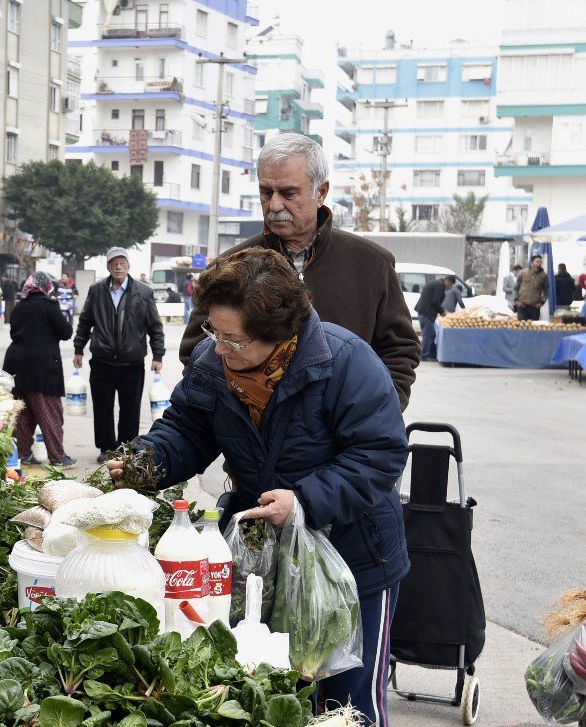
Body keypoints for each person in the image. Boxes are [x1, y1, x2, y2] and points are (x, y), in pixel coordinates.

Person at [107, 248, 408, 726]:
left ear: (281, 333)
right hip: (262, 561)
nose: (220, 348)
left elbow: (381, 454)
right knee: (272, 697)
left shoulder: (346, 362)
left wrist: (306, 498)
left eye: (234, 340)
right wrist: (150, 460)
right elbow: (187, 428)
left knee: (347, 709)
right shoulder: (212, 362)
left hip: (352, 559)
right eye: (213, 331)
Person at [180, 133, 420, 411]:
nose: (274, 205)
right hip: (254, 445)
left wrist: (377, 411)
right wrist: (241, 412)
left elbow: (399, 350)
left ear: (321, 192)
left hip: (345, 439)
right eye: (266, 192)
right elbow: (196, 351)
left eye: (288, 192)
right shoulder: (231, 265)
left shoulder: (371, 263)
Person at [73, 247, 165, 462]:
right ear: (108, 266)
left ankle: (126, 449)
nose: (118, 266)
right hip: (102, 361)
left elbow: (155, 327)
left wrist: (157, 355)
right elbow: (85, 322)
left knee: (130, 409)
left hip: (132, 363)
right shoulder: (97, 291)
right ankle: (106, 447)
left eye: (122, 262)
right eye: (114, 263)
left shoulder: (143, 292)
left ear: (128, 265)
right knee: (102, 407)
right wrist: (78, 349)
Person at [2, 272, 75, 467]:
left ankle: (23, 453)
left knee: (23, 414)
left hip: (15, 365)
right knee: (49, 412)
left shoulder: (18, 307)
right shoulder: (49, 306)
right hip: (41, 368)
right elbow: (66, 332)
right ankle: (57, 456)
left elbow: (13, 332)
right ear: (47, 286)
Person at [415, 276, 453, 361]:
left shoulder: (436, 283)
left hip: (424, 312)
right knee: (428, 335)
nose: (449, 287)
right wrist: (442, 311)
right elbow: (435, 301)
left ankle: (431, 355)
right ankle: (423, 356)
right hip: (426, 313)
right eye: (450, 285)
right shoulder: (439, 286)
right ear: (447, 281)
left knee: (431, 334)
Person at [514, 255, 548, 321]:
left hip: (535, 307)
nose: (539, 263)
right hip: (522, 305)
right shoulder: (523, 272)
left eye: (541, 262)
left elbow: (546, 291)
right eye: (537, 261)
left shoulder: (544, 275)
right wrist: (516, 301)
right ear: (532, 262)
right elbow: (516, 288)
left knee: (533, 328)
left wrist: (541, 303)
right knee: (521, 327)